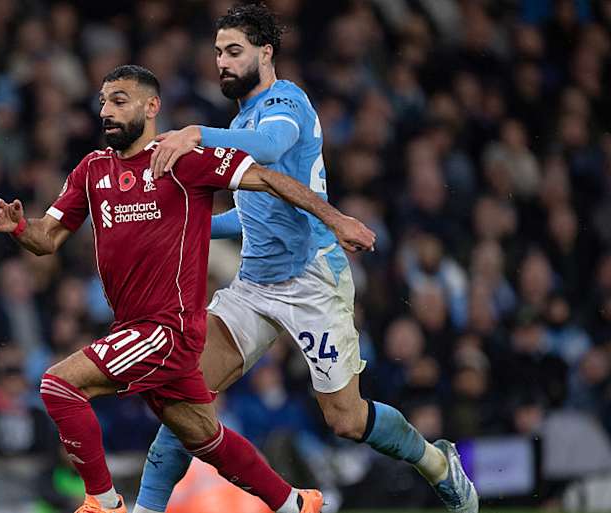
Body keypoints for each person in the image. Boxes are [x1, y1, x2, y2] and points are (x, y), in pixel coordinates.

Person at [0, 64, 375, 513]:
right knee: (206, 439)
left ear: (151, 106)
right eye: (102, 102)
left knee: (59, 386)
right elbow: (48, 238)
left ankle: (103, 503)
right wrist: (20, 228)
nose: (106, 111)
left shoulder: (182, 161)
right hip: (134, 327)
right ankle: (294, 503)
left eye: (119, 100)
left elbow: (267, 178)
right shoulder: (91, 171)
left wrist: (335, 218)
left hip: (167, 329)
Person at [138, 4, 478, 513]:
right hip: (254, 286)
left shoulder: (285, 102)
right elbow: (250, 217)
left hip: (312, 280)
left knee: (345, 419)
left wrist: (195, 134)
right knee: (184, 398)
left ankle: (436, 463)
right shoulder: (243, 117)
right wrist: (182, 227)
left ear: (266, 52)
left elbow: (272, 148)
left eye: (234, 51)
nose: (223, 63)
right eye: (217, 53)